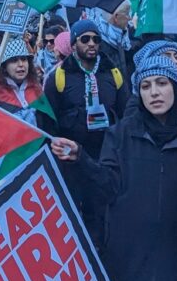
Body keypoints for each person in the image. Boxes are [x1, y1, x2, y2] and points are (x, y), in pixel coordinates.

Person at [52, 56, 177, 281]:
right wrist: (81, 159)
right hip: (129, 270)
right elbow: (106, 188)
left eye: (162, 83)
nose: (154, 93)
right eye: (146, 86)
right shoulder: (121, 134)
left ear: (176, 87)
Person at [43, 19, 129, 240]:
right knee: (72, 208)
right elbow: (48, 119)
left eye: (96, 39)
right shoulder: (58, 76)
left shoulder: (114, 74)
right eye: (85, 39)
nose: (92, 43)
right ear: (73, 45)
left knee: (102, 207)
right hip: (72, 156)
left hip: (105, 154)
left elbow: (126, 112)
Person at [0, 38, 50, 126]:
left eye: (23, 59)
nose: (21, 64)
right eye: (14, 61)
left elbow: (47, 123)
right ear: (4, 66)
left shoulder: (36, 88)